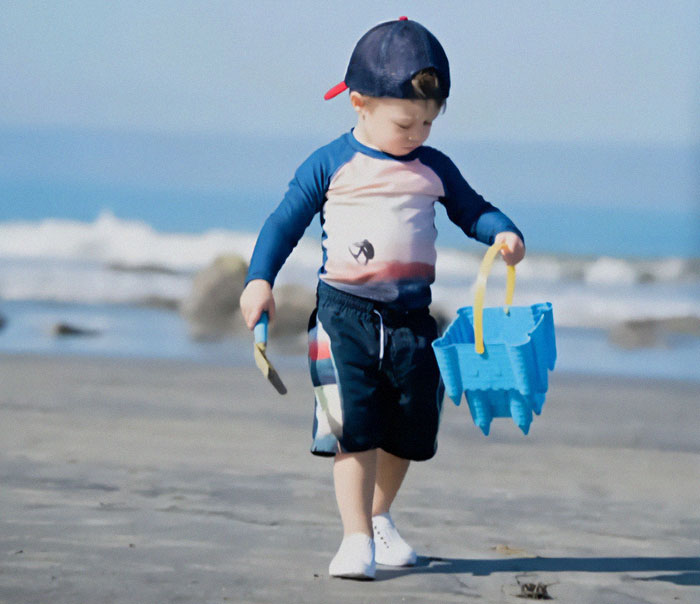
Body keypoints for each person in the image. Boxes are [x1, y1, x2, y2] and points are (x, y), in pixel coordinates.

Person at [239, 17, 525, 580]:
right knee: (353, 425)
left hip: (412, 319)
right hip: (342, 314)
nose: (418, 132)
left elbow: (472, 209)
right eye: (405, 121)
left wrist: (504, 231)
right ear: (360, 102)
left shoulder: (433, 168)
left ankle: (379, 517)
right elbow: (282, 223)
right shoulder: (330, 163)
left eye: (428, 121)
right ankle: (353, 539)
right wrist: (259, 279)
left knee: (411, 427)